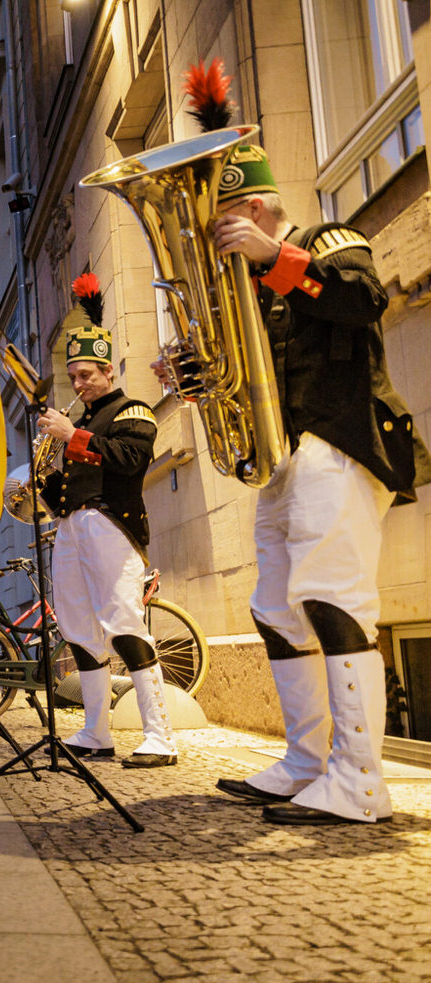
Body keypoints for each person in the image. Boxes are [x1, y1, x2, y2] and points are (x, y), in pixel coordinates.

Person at [177, 141, 430, 823]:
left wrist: (271, 255)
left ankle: (359, 780)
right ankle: (305, 764)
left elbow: (360, 299)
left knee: (331, 599)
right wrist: (198, 375)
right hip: (286, 459)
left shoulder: (328, 239)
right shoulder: (250, 289)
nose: (214, 235)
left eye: (221, 218)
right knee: (275, 609)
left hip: (342, 441)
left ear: (255, 208)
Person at [37, 275, 176, 768]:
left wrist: (73, 435)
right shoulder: (86, 418)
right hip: (73, 527)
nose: (79, 384)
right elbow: (70, 488)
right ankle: (96, 731)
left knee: (123, 622)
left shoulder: (132, 409)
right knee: (77, 626)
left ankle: (160, 735)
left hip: (112, 526)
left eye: (87, 375)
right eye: (73, 376)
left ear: (109, 370)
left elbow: (129, 459)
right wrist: (41, 486)